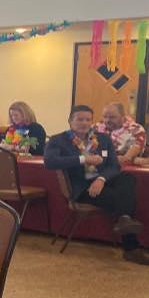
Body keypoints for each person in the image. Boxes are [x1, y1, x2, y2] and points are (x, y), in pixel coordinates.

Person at [45, 105, 148, 265]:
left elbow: (114, 166)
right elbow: (50, 162)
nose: (84, 123)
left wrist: (101, 179)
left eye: (88, 119)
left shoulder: (103, 139)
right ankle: (131, 247)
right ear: (70, 120)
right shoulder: (59, 140)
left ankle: (124, 220)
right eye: (80, 119)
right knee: (121, 198)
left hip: (102, 182)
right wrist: (83, 159)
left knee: (128, 178)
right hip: (82, 188)